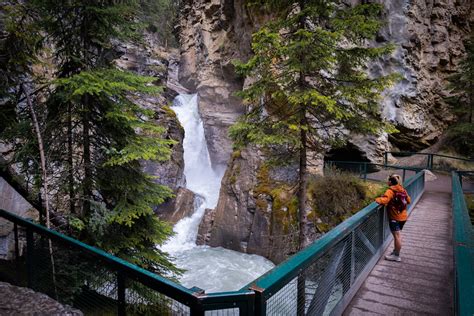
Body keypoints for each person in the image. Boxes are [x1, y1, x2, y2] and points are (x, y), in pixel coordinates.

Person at [375, 174, 411, 262]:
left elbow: (385, 200)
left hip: (395, 217)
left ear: (390, 182)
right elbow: (409, 200)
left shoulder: (390, 190)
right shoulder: (402, 189)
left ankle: (396, 256)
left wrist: (377, 199)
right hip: (403, 217)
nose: (387, 182)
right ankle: (395, 252)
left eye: (388, 180)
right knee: (397, 235)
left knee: (397, 236)